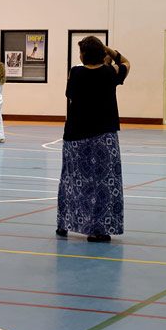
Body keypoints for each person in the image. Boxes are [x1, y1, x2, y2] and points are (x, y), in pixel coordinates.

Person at [56, 36, 131, 243]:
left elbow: (69, 94)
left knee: (71, 181)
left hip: (75, 135)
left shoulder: (75, 72)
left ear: (83, 55)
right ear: (102, 53)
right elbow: (126, 63)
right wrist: (111, 52)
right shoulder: (109, 73)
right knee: (104, 184)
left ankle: (64, 223)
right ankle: (99, 230)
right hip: (103, 137)